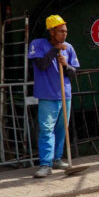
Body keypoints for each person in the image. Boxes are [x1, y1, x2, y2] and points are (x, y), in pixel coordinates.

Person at [28, 15, 80, 178]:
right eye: (61, 31)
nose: (64, 34)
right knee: (46, 130)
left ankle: (57, 159)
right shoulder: (37, 44)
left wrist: (66, 65)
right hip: (47, 95)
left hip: (65, 94)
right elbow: (41, 65)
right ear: (51, 32)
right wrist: (55, 50)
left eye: (66, 31)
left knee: (61, 129)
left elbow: (74, 73)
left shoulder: (68, 47)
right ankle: (45, 164)